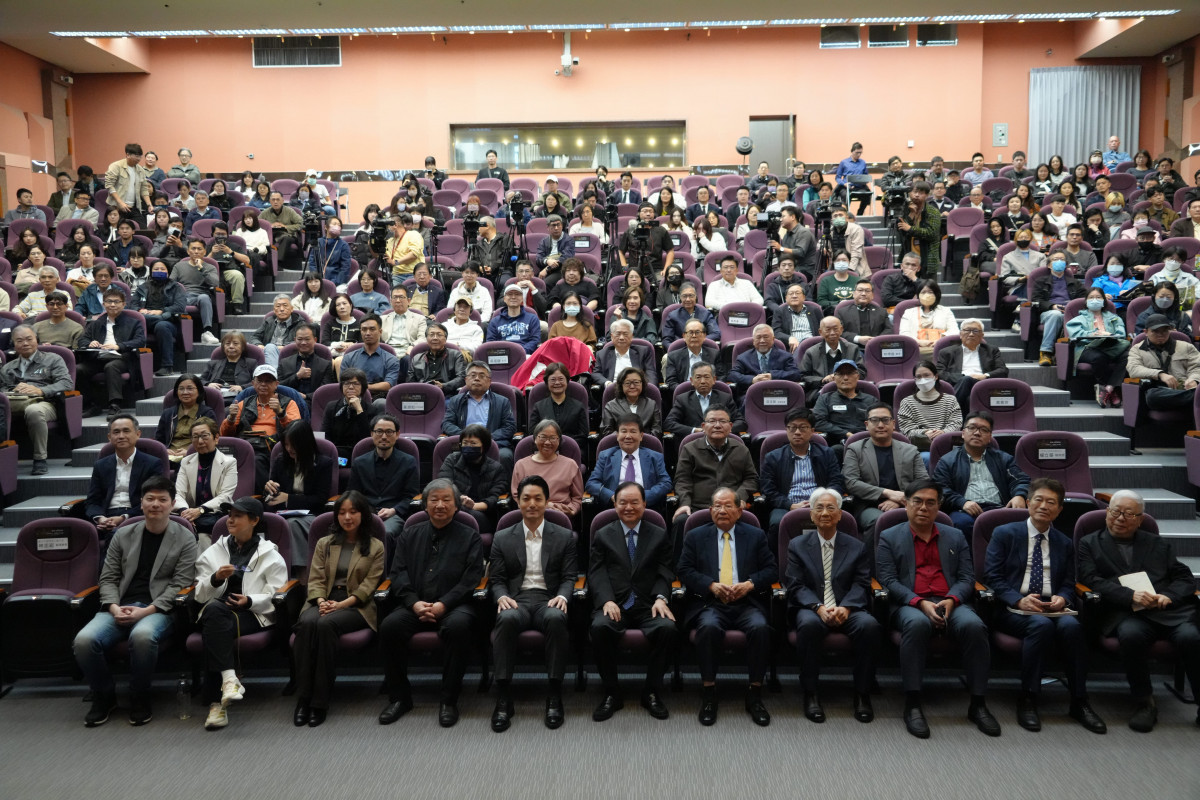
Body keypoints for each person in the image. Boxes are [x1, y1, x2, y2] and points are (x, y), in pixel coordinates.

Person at [982, 478, 1107, 733]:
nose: (1044, 506)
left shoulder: (1063, 542)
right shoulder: (1005, 533)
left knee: (1072, 627)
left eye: (1051, 502)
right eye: (1038, 500)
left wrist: (1063, 597)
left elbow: (1069, 581)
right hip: (1012, 607)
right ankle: (1028, 697)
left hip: (1052, 606)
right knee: (1040, 626)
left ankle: (1079, 700)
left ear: (1060, 510)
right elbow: (992, 577)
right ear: (1028, 503)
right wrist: (1019, 599)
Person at [876, 479, 999, 739]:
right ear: (906, 504)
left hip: (949, 600)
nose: (923, 508)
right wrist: (920, 603)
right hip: (910, 603)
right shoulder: (889, 536)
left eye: (930, 502)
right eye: (917, 501)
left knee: (974, 625)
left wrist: (952, 600)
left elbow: (967, 578)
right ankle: (913, 704)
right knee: (917, 623)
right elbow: (888, 581)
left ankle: (978, 704)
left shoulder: (954, 535)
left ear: (939, 506)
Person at [1077, 490, 1200, 732]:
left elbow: (1184, 578)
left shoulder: (1157, 543)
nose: (1120, 518)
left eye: (1128, 513)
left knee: (1191, 637)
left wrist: (1169, 596)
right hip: (1126, 612)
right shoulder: (1089, 543)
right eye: (1115, 512)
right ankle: (1145, 702)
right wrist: (1129, 595)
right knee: (1131, 635)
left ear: (1140, 519)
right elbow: (1091, 579)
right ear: (1106, 513)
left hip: (1166, 612)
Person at [377, 479, 484, 728]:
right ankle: (400, 698)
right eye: (434, 500)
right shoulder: (409, 534)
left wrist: (443, 605)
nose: (440, 505)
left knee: (458, 628)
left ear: (457, 506)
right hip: (414, 603)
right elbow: (398, 573)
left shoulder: (470, 536)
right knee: (390, 627)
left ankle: (449, 700)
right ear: (424, 505)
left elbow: (471, 579)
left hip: (454, 605)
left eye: (446, 500)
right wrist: (414, 604)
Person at [678, 486, 775, 727]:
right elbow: (684, 570)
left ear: (740, 510)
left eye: (728, 505)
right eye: (717, 506)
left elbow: (771, 569)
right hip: (710, 603)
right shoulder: (695, 536)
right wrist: (710, 585)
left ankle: (754, 693)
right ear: (710, 510)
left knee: (761, 629)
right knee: (708, 629)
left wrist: (750, 584)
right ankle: (709, 692)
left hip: (746, 602)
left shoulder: (755, 535)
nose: (722, 510)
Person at [487, 475, 577, 732]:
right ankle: (504, 696)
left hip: (549, 598)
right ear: (518, 501)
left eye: (538, 498)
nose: (532, 503)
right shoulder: (503, 536)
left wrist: (562, 596)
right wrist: (502, 596)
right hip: (517, 600)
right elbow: (497, 578)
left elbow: (570, 577)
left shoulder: (564, 535)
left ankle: (554, 693)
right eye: (526, 498)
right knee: (505, 619)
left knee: (556, 618)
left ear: (547, 501)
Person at [785, 487, 882, 724]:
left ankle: (862, 693)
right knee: (808, 626)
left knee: (869, 626)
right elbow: (795, 585)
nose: (825, 512)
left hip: (847, 607)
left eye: (831, 508)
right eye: (819, 507)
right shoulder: (798, 545)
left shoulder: (856, 546)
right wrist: (818, 607)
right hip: (811, 608)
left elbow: (861, 583)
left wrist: (846, 607)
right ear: (811, 514)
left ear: (840, 515)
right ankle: (811, 693)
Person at [190, 496, 287, 731]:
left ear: (254, 521)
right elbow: (199, 593)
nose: (230, 520)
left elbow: (276, 593)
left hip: (251, 614)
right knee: (214, 611)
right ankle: (230, 680)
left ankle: (217, 704)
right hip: (217, 611)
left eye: (237, 516)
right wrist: (215, 579)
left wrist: (250, 600)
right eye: (229, 515)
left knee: (213, 627)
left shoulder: (269, 554)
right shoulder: (215, 551)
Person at [292, 490, 386, 727]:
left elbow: (369, 585)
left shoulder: (375, 547)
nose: (347, 517)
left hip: (356, 604)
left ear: (363, 515)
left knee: (325, 624)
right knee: (306, 623)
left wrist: (342, 604)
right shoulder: (325, 543)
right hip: (324, 600)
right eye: (342, 512)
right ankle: (303, 697)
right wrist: (321, 600)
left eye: (353, 512)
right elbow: (315, 578)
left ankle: (319, 702)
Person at [588, 481, 677, 722]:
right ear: (614, 504)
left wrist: (661, 598)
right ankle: (612, 692)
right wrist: (606, 600)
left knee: (667, 628)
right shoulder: (602, 534)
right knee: (599, 627)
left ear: (645, 504)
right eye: (623, 502)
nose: (629, 507)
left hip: (649, 603)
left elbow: (665, 571)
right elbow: (596, 572)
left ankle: (651, 692)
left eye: (634, 502)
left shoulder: (658, 534)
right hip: (615, 603)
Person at [931, 409, 1030, 539]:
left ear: (989, 437)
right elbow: (940, 489)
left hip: (1000, 508)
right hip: (964, 511)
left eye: (983, 430)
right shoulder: (947, 461)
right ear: (963, 433)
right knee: (960, 523)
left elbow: (1021, 480)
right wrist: (962, 502)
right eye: (972, 428)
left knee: (1024, 521)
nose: (977, 433)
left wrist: (1019, 496)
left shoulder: (1003, 459)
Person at [842, 403, 929, 544]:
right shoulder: (855, 449)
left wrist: (901, 501)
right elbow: (851, 482)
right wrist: (888, 493)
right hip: (868, 505)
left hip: (906, 502)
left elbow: (923, 482)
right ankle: (873, 565)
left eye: (885, 420)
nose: (881, 425)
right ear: (866, 424)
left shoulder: (910, 450)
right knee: (879, 521)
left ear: (893, 424)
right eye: (875, 420)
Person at [672, 407, 757, 547]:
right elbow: (682, 480)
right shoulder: (690, 449)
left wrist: (740, 498)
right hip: (698, 507)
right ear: (704, 427)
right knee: (681, 520)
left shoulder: (741, 449)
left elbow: (751, 479)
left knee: (751, 522)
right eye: (712, 421)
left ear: (730, 427)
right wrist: (685, 503)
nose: (717, 425)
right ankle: (679, 568)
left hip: (731, 507)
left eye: (722, 421)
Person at [759, 408, 844, 544]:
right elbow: (768, 490)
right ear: (786, 430)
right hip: (787, 506)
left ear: (812, 431)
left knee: (842, 519)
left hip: (822, 504)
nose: (797, 432)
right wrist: (790, 505)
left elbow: (836, 482)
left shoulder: (827, 454)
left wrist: (821, 503)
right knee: (776, 523)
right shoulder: (773, 457)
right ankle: (778, 563)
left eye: (803, 427)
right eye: (792, 428)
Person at [0, 325, 72, 474]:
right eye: (19, 341)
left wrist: (41, 390)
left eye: (29, 339)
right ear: (14, 344)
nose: (25, 343)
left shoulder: (53, 359)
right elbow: (2, 389)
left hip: (45, 402)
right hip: (15, 402)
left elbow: (66, 383)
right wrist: (12, 391)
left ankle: (40, 459)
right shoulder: (8, 367)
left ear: (37, 340)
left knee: (34, 411)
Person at [219, 364, 302, 491]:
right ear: (253, 383)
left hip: (272, 447)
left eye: (268, 381)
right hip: (245, 446)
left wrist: (281, 413)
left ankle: (268, 493)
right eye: (260, 381)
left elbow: (297, 431)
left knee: (256, 459)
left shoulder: (288, 403)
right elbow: (225, 435)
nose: (263, 384)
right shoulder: (243, 403)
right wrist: (230, 418)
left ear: (276, 384)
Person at [264, 418, 334, 566]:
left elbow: (320, 499)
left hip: (311, 514)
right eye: (287, 444)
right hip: (282, 513)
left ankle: (300, 571)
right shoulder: (281, 460)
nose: (290, 449)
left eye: (294, 445)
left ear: (305, 443)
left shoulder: (323, 463)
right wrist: (269, 490)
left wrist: (289, 498)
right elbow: (272, 494)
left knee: (292, 524)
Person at [81, 414, 160, 540]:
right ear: (109, 437)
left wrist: (123, 518)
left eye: (126, 431)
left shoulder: (152, 464)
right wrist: (101, 519)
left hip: (138, 516)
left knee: (115, 535)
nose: (121, 436)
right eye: (116, 432)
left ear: (138, 434)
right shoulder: (100, 465)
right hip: (106, 516)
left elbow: (154, 500)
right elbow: (92, 501)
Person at [75, 287, 144, 418]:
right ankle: (90, 404)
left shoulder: (134, 323)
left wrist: (119, 346)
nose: (112, 304)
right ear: (104, 304)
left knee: (111, 366)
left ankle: (115, 405)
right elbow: (82, 340)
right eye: (109, 301)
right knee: (79, 369)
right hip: (98, 357)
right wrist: (90, 343)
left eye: (116, 301)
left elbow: (140, 341)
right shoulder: (96, 323)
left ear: (124, 304)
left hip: (121, 358)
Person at [585, 414, 672, 511]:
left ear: (641, 436)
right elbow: (592, 483)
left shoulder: (655, 457)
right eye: (624, 431)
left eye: (633, 431)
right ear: (617, 435)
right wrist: (612, 496)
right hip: (613, 509)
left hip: (646, 509)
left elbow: (666, 483)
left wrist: (642, 497)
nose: (628, 436)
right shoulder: (605, 456)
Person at [442, 361, 517, 470]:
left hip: (493, 443)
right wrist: (466, 438)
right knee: (447, 454)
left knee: (505, 456)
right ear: (466, 380)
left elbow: (509, 427)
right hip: (465, 444)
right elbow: (447, 423)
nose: (477, 378)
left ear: (489, 381)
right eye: (473, 375)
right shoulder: (455, 401)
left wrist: (486, 439)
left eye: (482, 376)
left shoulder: (502, 401)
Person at [171, 417, 236, 543]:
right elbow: (179, 493)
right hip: (190, 515)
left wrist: (200, 510)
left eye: (204, 436)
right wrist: (186, 512)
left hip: (214, 513)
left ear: (216, 438)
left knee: (201, 536)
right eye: (195, 437)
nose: (200, 441)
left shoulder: (229, 462)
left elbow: (225, 496)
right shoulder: (186, 462)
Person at [1065, 287, 1130, 408]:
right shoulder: (1079, 319)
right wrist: (1091, 334)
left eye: (1098, 297)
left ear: (1104, 301)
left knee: (1128, 356)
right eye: (1091, 298)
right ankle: (1109, 388)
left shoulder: (1114, 318)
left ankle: (1109, 388)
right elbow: (1074, 335)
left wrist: (1109, 335)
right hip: (1087, 349)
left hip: (1111, 347)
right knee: (1099, 357)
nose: (1095, 300)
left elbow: (1122, 334)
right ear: (1086, 301)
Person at [437, 424, 506, 533]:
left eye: (473, 443)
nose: (468, 446)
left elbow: (494, 498)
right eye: (465, 443)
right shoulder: (452, 460)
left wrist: (473, 506)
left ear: (484, 446)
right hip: (453, 507)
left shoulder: (496, 468)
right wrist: (459, 500)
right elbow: (443, 484)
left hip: (481, 514)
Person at [1126, 313, 1200, 410]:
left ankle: (1191, 396)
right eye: (1155, 331)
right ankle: (1194, 397)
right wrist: (1160, 374)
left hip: (1184, 388)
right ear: (1146, 332)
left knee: (1195, 391)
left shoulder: (1186, 347)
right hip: (1159, 392)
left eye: (1164, 331)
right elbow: (1133, 369)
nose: (1160, 334)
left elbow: (1196, 366)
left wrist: (1194, 380)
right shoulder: (1137, 349)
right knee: (1152, 396)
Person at [511, 420, 583, 517]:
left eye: (553, 438)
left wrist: (572, 510)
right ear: (535, 439)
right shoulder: (521, 465)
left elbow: (577, 498)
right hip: (531, 514)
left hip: (561, 516)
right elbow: (517, 495)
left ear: (559, 441)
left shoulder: (570, 464)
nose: (547, 442)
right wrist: (544, 506)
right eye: (543, 437)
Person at [1028, 254, 1088, 367]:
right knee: (1056, 315)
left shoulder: (1075, 283)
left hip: (1070, 311)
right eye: (1055, 260)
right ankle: (1046, 352)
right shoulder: (1040, 281)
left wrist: (1071, 307)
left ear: (1065, 265)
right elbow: (1036, 300)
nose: (1059, 261)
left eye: (1062, 260)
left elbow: (1084, 299)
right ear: (1049, 265)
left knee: (1062, 316)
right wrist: (1052, 306)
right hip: (1048, 312)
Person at [936, 319, 1010, 412]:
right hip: (958, 384)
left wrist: (984, 376)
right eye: (967, 330)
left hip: (982, 384)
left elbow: (1003, 371)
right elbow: (939, 372)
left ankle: (947, 413)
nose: (971, 334)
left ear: (982, 335)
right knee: (968, 398)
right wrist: (964, 377)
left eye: (975, 331)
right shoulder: (947, 352)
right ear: (960, 334)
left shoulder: (991, 350)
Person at [129, 260, 186, 376]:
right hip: (145, 320)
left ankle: (167, 366)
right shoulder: (143, 287)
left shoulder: (176, 287)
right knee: (141, 320)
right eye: (156, 269)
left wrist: (161, 312)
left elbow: (180, 307)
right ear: (151, 272)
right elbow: (132, 306)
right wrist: (140, 310)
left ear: (168, 272)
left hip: (169, 321)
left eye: (162, 269)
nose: (159, 271)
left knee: (162, 325)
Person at [897, 361, 963, 457]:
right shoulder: (907, 402)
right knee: (926, 457)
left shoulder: (950, 400)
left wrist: (943, 433)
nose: (923, 380)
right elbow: (907, 430)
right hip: (921, 447)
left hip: (947, 444)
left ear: (935, 377)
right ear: (915, 379)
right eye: (919, 377)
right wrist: (926, 432)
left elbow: (956, 423)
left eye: (926, 375)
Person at [664, 362, 744, 436]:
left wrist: (723, 429)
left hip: (720, 441)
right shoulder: (683, 399)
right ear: (692, 381)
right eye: (698, 377)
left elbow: (741, 422)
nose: (703, 381)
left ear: (714, 380)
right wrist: (694, 430)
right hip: (693, 443)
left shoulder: (725, 398)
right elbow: (669, 423)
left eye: (706, 377)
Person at [727, 324, 802, 399]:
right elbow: (732, 375)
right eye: (758, 337)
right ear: (753, 341)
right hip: (752, 394)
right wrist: (752, 379)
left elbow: (795, 374)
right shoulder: (743, 358)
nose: (762, 341)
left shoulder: (785, 356)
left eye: (766, 337)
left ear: (773, 339)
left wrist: (773, 376)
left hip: (779, 394)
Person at [155, 373, 216, 464]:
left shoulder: (207, 413)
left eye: (190, 388)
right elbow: (159, 440)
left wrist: (190, 451)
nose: (185, 392)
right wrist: (165, 450)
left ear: (199, 391)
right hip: (169, 457)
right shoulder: (168, 414)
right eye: (181, 389)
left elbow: (212, 441)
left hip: (196, 456)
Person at [340, 314, 401, 407]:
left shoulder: (391, 359)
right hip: (353, 397)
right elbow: (344, 383)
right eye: (364, 329)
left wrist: (363, 387)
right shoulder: (349, 357)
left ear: (380, 332)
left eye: (372, 329)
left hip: (379, 399)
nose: (367, 333)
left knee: (381, 404)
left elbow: (388, 385)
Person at [812, 360, 873, 450]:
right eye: (840, 374)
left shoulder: (870, 400)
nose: (845, 378)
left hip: (867, 442)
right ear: (834, 378)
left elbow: (877, 422)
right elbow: (818, 422)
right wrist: (845, 434)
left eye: (850, 373)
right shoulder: (825, 399)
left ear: (857, 376)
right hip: (837, 442)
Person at [529, 362, 589, 451]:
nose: (557, 383)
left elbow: (583, 436)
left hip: (570, 451)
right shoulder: (538, 407)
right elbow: (532, 433)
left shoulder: (578, 406)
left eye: (561, 379)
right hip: (544, 450)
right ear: (547, 382)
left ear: (567, 381)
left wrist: (562, 445)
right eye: (553, 380)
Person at [171, 237, 220, 345]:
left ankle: (207, 332)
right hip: (182, 296)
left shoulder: (210, 267)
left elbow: (215, 283)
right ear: (188, 251)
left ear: (205, 251)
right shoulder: (179, 266)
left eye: (199, 249)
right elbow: (170, 283)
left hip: (200, 296)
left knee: (204, 297)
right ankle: (180, 335)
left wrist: (201, 268)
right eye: (193, 249)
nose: (196, 251)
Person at [277, 324, 335, 406]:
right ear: (295, 340)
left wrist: (306, 396)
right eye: (299, 339)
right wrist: (297, 376)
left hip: (314, 403)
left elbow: (326, 389)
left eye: (307, 339)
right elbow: (278, 387)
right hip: (288, 403)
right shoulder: (284, 362)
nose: (303, 343)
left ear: (315, 340)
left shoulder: (325, 364)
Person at [403, 322, 467, 395]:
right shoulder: (417, 358)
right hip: (422, 396)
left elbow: (461, 378)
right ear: (426, 339)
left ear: (445, 339)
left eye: (439, 335)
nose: (435, 338)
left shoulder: (456, 355)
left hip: (447, 394)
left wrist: (444, 386)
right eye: (431, 335)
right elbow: (410, 382)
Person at [899, 279, 958, 355]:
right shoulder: (909, 312)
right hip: (916, 350)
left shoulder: (946, 311)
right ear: (918, 295)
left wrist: (940, 340)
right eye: (923, 292)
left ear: (936, 294)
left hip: (941, 350)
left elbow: (955, 331)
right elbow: (904, 334)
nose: (927, 295)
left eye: (930, 292)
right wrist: (918, 342)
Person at [896, 181, 942, 278]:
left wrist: (910, 228)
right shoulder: (906, 210)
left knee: (928, 290)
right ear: (909, 193)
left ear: (926, 195)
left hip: (927, 258)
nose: (917, 195)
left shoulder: (933, 212)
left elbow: (932, 233)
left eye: (921, 193)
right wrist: (911, 214)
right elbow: (901, 232)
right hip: (909, 257)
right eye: (915, 192)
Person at [249, 294, 305, 369]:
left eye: (285, 306)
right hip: (268, 352)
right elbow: (254, 337)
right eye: (278, 306)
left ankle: (273, 374)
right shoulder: (269, 321)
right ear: (274, 310)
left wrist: (284, 347)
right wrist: (259, 345)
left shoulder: (300, 323)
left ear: (291, 308)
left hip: (289, 354)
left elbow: (302, 341)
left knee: (270, 347)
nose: (281, 309)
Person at [663, 320, 719, 393]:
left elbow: (720, 378)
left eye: (697, 332)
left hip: (709, 393)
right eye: (690, 332)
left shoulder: (714, 354)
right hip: (684, 396)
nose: (694, 336)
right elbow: (671, 382)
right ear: (684, 336)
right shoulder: (673, 357)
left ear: (704, 336)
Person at [486, 284, 541, 355]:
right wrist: (504, 353)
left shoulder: (532, 318)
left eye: (517, 294)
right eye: (510, 294)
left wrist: (521, 351)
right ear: (504, 298)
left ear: (521, 298)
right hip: (502, 356)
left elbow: (535, 340)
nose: (513, 297)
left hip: (525, 354)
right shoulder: (495, 321)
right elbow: (490, 342)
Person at [660, 282, 718, 347]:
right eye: (684, 296)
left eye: (691, 296)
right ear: (680, 297)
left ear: (696, 297)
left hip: (702, 348)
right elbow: (666, 340)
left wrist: (698, 341)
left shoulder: (705, 313)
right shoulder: (672, 316)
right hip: (680, 350)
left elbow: (715, 333)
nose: (688, 299)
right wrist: (675, 350)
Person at [103, 143, 151, 216]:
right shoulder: (116, 166)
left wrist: (149, 205)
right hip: (116, 207)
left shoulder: (141, 170)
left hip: (134, 207)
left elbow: (144, 188)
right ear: (128, 155)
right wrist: (120, 203)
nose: (139, 159)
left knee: (141, 226)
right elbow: (109, 186)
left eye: (140, 156)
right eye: (136, 156)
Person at [260, 191, 304, 270]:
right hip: (271, 236)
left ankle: (277, 262)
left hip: (288, 235)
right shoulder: (265, 213)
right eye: (273, 200)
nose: (275, 202)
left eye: (278, 199)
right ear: (270, 201)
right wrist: (269, 226)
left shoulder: (289, 211)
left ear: (282, 201)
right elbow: (257, 225)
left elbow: (300, 223)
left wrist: (285, 227)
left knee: (286, 239)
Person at [836, 279, 889, 345]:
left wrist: (876, 340)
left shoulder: (881, 312)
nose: (863, 294)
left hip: (876, 346)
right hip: (852, 347)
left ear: (872, 295)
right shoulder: (842, 312)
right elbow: (838, 332)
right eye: (860, 290)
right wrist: (858, 339)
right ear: (854, 294)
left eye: (867, 291)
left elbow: (889, 330)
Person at [1153, 245, 1200, 311]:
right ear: (1164, 259)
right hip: (1161, 310)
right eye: (1171, 258)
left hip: (1184, 310)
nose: (1173, 262)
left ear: (1182, 262)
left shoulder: (1189, 278)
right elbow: (1149, 295)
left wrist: (1185, 292)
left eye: (1178, 260)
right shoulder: (1156, 277)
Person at [816, 251, 858, 316]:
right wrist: (839, 303)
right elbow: (821, 302)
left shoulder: (857, 280)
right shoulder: (825, 280)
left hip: (854, 312)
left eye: (844, 260)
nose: (841, 263)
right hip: (833, 313)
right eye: (838, 260)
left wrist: (848, 303)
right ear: (833, 262)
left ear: (849, 262)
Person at [835, 142, 870, 215]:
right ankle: (846, 214)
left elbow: (866, 176)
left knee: (868, 194)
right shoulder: (844, 162)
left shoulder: (863, 162)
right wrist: (844, 184)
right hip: (846, 187)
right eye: (857, 152)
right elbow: (837, 178)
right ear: (852, 151)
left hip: (859, 187)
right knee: (845, 195)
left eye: (860, 153)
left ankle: (860, 213)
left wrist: (863, 182)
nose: (859, 155)